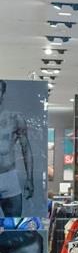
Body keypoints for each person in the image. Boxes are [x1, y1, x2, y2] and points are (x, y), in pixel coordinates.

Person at [0, 81, 33, 217]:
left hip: (9, 177)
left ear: (3, 93)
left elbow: (26, 149)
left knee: (14, 226)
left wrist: (29, 179)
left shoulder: (14, 119)